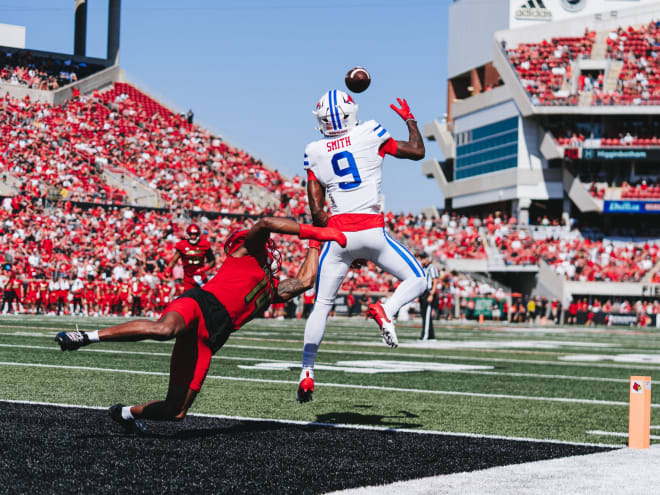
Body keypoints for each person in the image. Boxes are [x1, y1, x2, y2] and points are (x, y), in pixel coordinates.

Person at [55, 217, 346, 434]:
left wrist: (315, 243)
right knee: (164, 330)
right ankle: (86, 336)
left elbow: (306, 281)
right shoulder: (243, 254)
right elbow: (267, 222)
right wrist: (316, 230)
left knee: (175, 411)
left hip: (210, 338)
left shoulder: (270, 290)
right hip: (199, 305)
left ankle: (125, 414)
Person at [297, 89, 426, 403]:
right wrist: (410, 119)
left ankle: (307, 371)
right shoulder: (370, 131)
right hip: (371, 230)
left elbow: (316, 209)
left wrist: (331, 232)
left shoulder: (314, 150)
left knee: (322, 306)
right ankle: (387, 309)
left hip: (338, 235)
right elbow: (417, 151)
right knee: (419, 279)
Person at [165, 223, 216, 291]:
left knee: (203, 298)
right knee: (188, 298)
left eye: (195, 234)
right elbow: (174, 259)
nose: (193, 237)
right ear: (188, 234)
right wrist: (168, 268)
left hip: (201, 276)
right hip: (188, 278)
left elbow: (213, 261)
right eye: (191, 234)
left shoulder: (204, 244)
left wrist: (204, 269)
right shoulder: (182, 245)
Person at [419, 254, 439, 340]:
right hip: (423, 292)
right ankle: (430, 335)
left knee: (427, 315)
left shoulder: (432, 268)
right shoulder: (422, 268)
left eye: (424, 258)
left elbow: (435, 281)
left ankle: (425, 335)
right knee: (424, 315)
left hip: (429, 292)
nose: (422, 260)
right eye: (421, 259)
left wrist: (431, 294)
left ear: (427, 258)